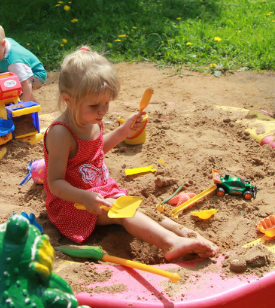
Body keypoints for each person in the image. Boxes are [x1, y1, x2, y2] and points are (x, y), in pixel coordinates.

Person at [44, 47, 219, 261]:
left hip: (97, 191)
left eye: (106, 103)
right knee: (124, 211)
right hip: (73, 204)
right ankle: (170, 243)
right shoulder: (61, 133)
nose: (102, 110)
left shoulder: (90, 119)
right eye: (95, 105)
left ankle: (186, 234)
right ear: (68, 99)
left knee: (137, 207)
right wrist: (84, 196)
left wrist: (123, 131)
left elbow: (93, 152)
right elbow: (55, 183)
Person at [0, 20, 47, 103]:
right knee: (0, 78)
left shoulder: (14, 63)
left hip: (35, 76)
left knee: (13, 85)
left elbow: (27, 84)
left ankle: (29, 101)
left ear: (3, 44)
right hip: (21, 70)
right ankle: (33, 102)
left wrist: (22, 104)